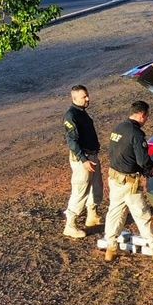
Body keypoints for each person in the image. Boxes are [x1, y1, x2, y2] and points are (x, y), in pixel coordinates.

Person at [102, 100, 153, 263]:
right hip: (129, 183)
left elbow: (119, 152)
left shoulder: (119, 128)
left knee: (115, 213)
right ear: (142, 115)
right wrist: (150, 170)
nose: (147, 120)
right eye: (147, 117)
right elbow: (143, 160)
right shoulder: (136, 134)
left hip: (115, 178)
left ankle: (111, 247)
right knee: (143, 215)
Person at [62, 85, 103, 239]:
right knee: (80, 190)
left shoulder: (82, 113)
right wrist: (84, 160)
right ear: (74, 98)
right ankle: (70, 225)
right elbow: (72, 141)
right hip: (83, 158)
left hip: (91, 156)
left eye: (87, 95)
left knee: (96, 187)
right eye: (84, 96)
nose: (88, 99)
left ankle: (92, 215)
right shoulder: (71, 115)